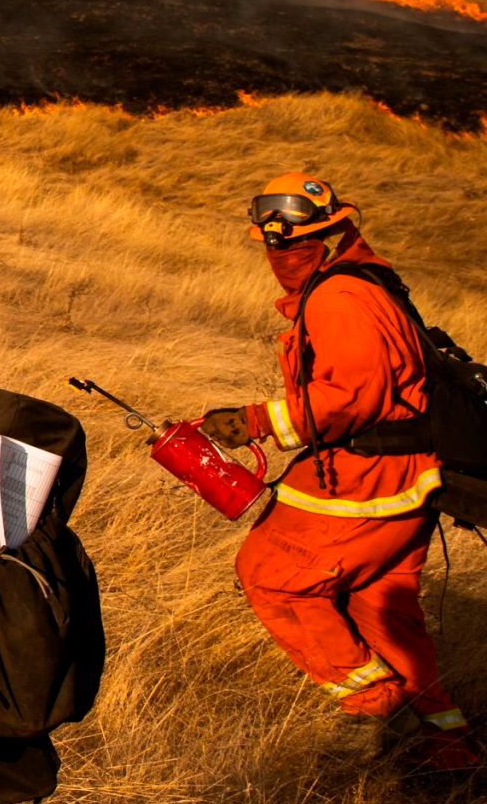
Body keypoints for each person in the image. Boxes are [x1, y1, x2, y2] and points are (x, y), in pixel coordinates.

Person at [200, 173, 479, 771]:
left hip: (370, 477)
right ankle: (447, 744)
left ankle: (377, 711)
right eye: (273, 244)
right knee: (381, 606)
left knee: (272, 575)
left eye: (297, 241)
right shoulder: (359, 281)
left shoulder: (340, 298)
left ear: (334, 234)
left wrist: (257, 419)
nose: (281, 253)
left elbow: (356, 395)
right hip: (407, 477)